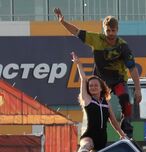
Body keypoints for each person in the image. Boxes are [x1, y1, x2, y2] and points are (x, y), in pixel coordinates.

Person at [54, 8, 141, 138]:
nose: (111, 34)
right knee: (96, 106)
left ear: (117, 30)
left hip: (118, 79)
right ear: (104, 30)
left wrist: (138, 89)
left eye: (113, 31)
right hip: (101, 81)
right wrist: (63, 22)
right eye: (108, 31)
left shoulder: (123, 46)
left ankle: (127, 131)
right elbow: (77, 32)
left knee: (125, 100)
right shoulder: (96, 39)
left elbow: (133, 68)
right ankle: (92, 131)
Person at [72, 51, 126, 152]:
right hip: (89, 136)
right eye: (91, 86)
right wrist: (78, 64)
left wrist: (122, 135)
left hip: (102, 139)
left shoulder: (106, 103)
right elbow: (83, 80)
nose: (93, 87)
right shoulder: (87, 100)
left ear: (101, 88)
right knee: (87, 145)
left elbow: (113, 121)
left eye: (96, 85)